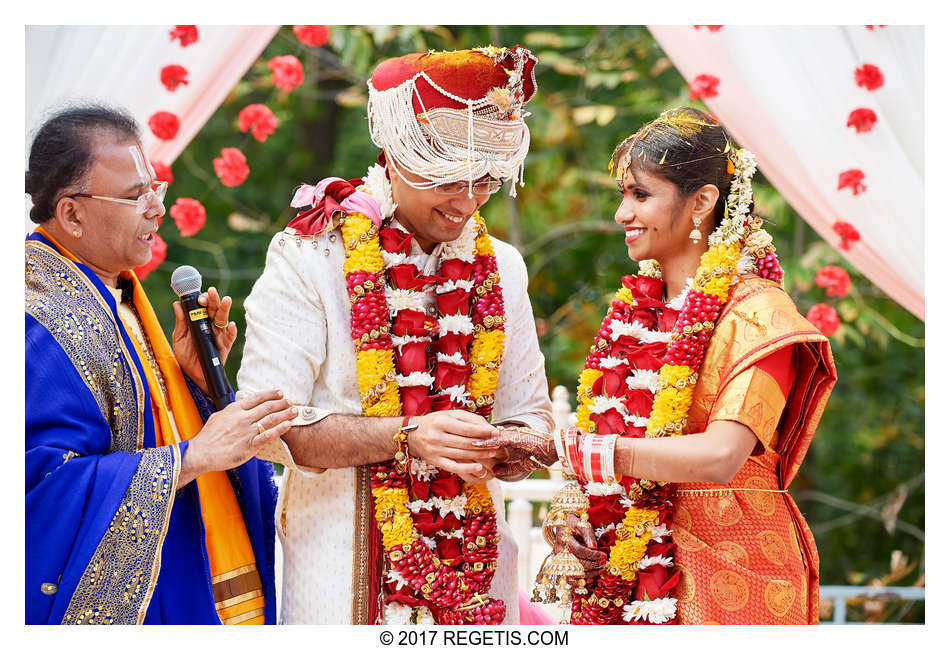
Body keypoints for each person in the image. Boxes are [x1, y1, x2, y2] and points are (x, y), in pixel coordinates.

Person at [236, 46, 554, 625]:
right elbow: (268, 424)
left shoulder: (501, 265)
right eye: (448, 180)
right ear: (397, 156)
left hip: (476, 575)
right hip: (339, 581)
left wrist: (511, 448)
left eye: (484, 181)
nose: (468, 201)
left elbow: (529, 413)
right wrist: (409, 436)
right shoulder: (310, 255)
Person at [485, 107, 837, 624]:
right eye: (623, 195)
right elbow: (605, 448)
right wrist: (576, 511)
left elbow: (722, 455)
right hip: (620, 570)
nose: (621, 214)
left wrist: (580, 452)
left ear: (702, 202)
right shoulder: (633, 316)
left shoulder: (760, 316)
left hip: (729, 568)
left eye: (641, 195)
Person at [25, 104, 296, 624]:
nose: (156, 210)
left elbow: (143, 432)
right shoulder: (35, 320)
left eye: (157, 190)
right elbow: (38, 489)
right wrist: (189, 458)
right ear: (72, 214)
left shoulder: (113, 291)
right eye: (135, 197)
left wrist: (192, 384)